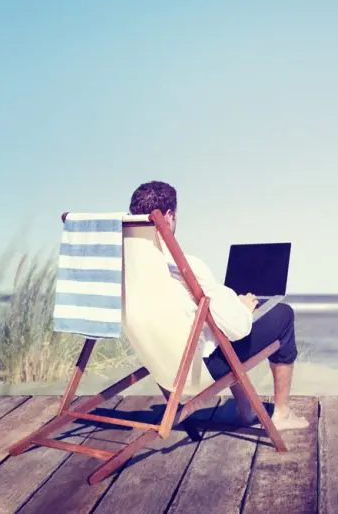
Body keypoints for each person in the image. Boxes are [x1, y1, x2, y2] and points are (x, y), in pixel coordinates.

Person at [128, 180, 309, 430]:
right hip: (200, 371)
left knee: (216, 323)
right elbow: (237, 329)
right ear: (168, 217)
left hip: (162, 365)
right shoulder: (184, 266)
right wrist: (243, 308)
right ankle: (281, 413)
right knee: (282, 315)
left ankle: (246, 408)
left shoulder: (129, 274)